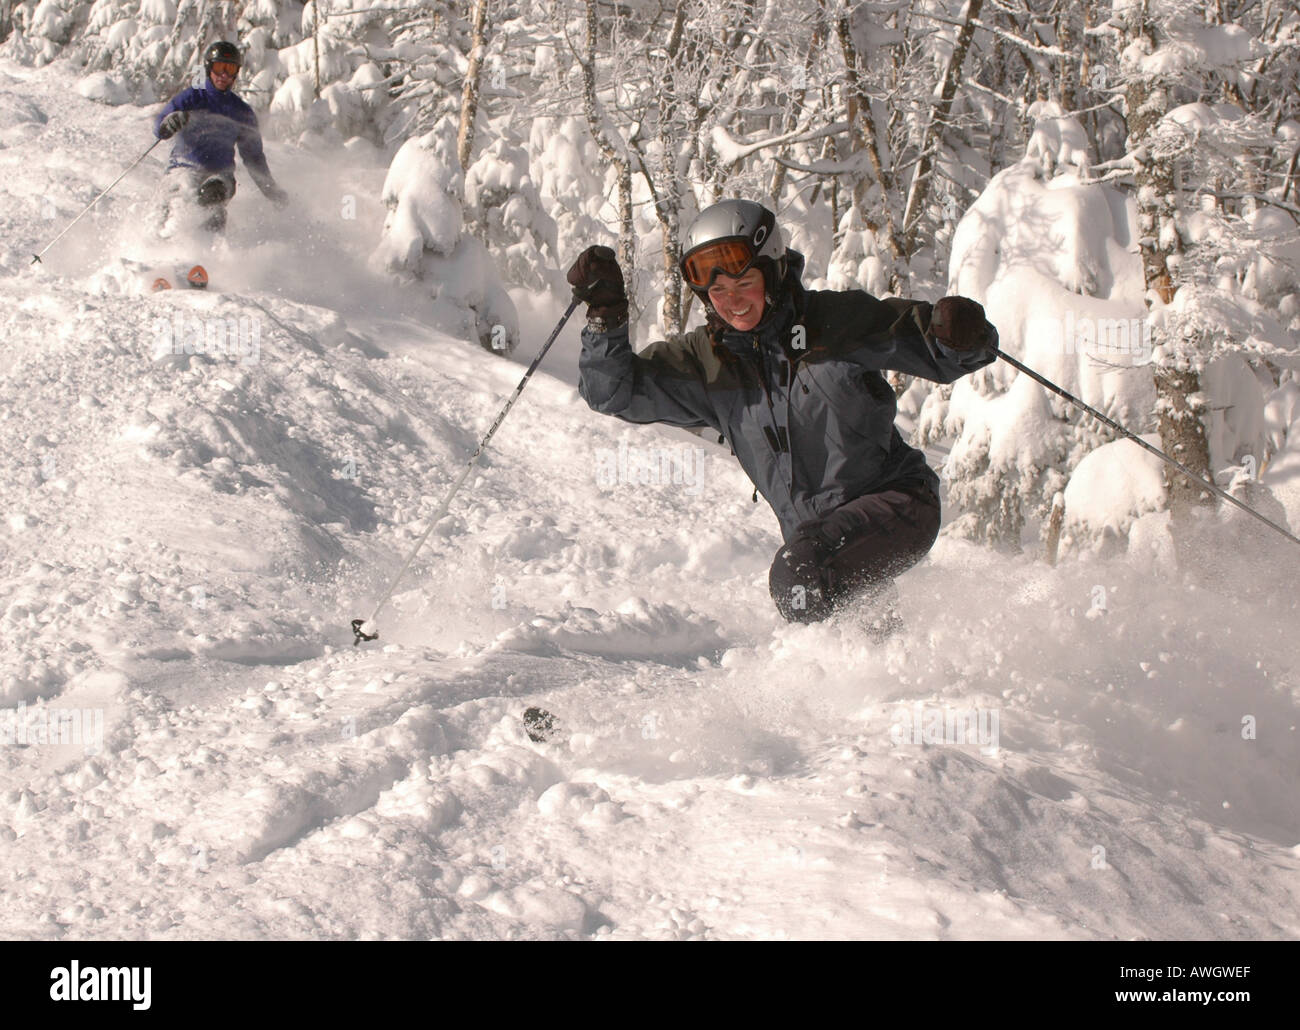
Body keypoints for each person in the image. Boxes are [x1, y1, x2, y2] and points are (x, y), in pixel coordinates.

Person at [567, 199, 999, 633]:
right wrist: (605, 317)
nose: (732, 303)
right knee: (851, 629)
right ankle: (904, 688)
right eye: (717, 293)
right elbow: (612, 393)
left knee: (801, 578)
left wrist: (957, 335)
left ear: (771, 273)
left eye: (743, 284)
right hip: (818, 537)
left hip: (900, 504)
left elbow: (932, 346)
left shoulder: (833, 323)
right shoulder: (708, 362)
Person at [153, 40, 288, 238]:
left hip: (220, 176)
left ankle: (206, 252)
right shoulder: (192, 98)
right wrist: (169, 123)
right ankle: (160, 246)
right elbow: (160, 125)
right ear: (209, 68)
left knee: (212, 193)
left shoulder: (241, 112)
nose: (224, 75)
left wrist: (271, 190)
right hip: (182, 169)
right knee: (182, 192)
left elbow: (254, 158)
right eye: (219, 67)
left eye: (230, 69)